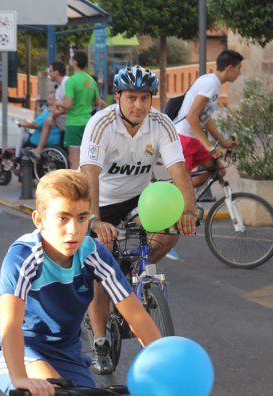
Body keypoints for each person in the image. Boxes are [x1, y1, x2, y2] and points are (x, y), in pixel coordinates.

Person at [0, 169, 161, 396]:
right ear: (39, 220)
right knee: (49, 387)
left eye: (82, 218)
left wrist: (163, 362)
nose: (73, 230)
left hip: (65, 348)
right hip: (15, 345)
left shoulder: (93, 254)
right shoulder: (23, 258)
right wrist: (19, 378)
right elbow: (10, 326)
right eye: (62, 218)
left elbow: (135, 314)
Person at [79, 65, 198, 375]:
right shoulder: (100, 124)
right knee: (100, 270)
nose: (138, 105)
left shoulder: (160, 123)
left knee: (168, 234)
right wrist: (94, 219)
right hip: (101, 202)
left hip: (138, 200)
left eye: (145, 98)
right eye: (131, 98)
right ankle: (101, 341)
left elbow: (178, 170)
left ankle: (130, 273)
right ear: (117, 97)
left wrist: (189, 211)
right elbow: (89, 173)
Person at [173, 49, 243, 186]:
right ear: (229, 68)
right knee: (183, 185)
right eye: (238, 68)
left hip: (193, 139)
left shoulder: (214, 84)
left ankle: (182, 191)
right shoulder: (210, 83)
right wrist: (210, 147)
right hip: (183, 139)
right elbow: (191, 116)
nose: (239, 73)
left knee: (219, 170)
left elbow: (205, 119)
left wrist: (223, 142)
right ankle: (174, 194)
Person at [60, 51, 105, 170]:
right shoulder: (91, 80)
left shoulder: (71, 81)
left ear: (75, 62)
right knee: (88, 158)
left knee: (74, 158)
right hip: (88, 124)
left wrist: (57, 102)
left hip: (74, 124)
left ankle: (77, 187)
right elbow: (98, 102)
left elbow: (68, 104)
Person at [31, 60, 69, 161]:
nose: (49, 74)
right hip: (64, 117)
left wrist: (55, 111)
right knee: (49, 117)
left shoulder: (66, 83)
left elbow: (67, 104)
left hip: (69, 117)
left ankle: (38, 150)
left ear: (57, 72)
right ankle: (39, 150)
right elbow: (57, 104)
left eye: (51, 71)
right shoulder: (60, 86)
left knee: (48, 120)